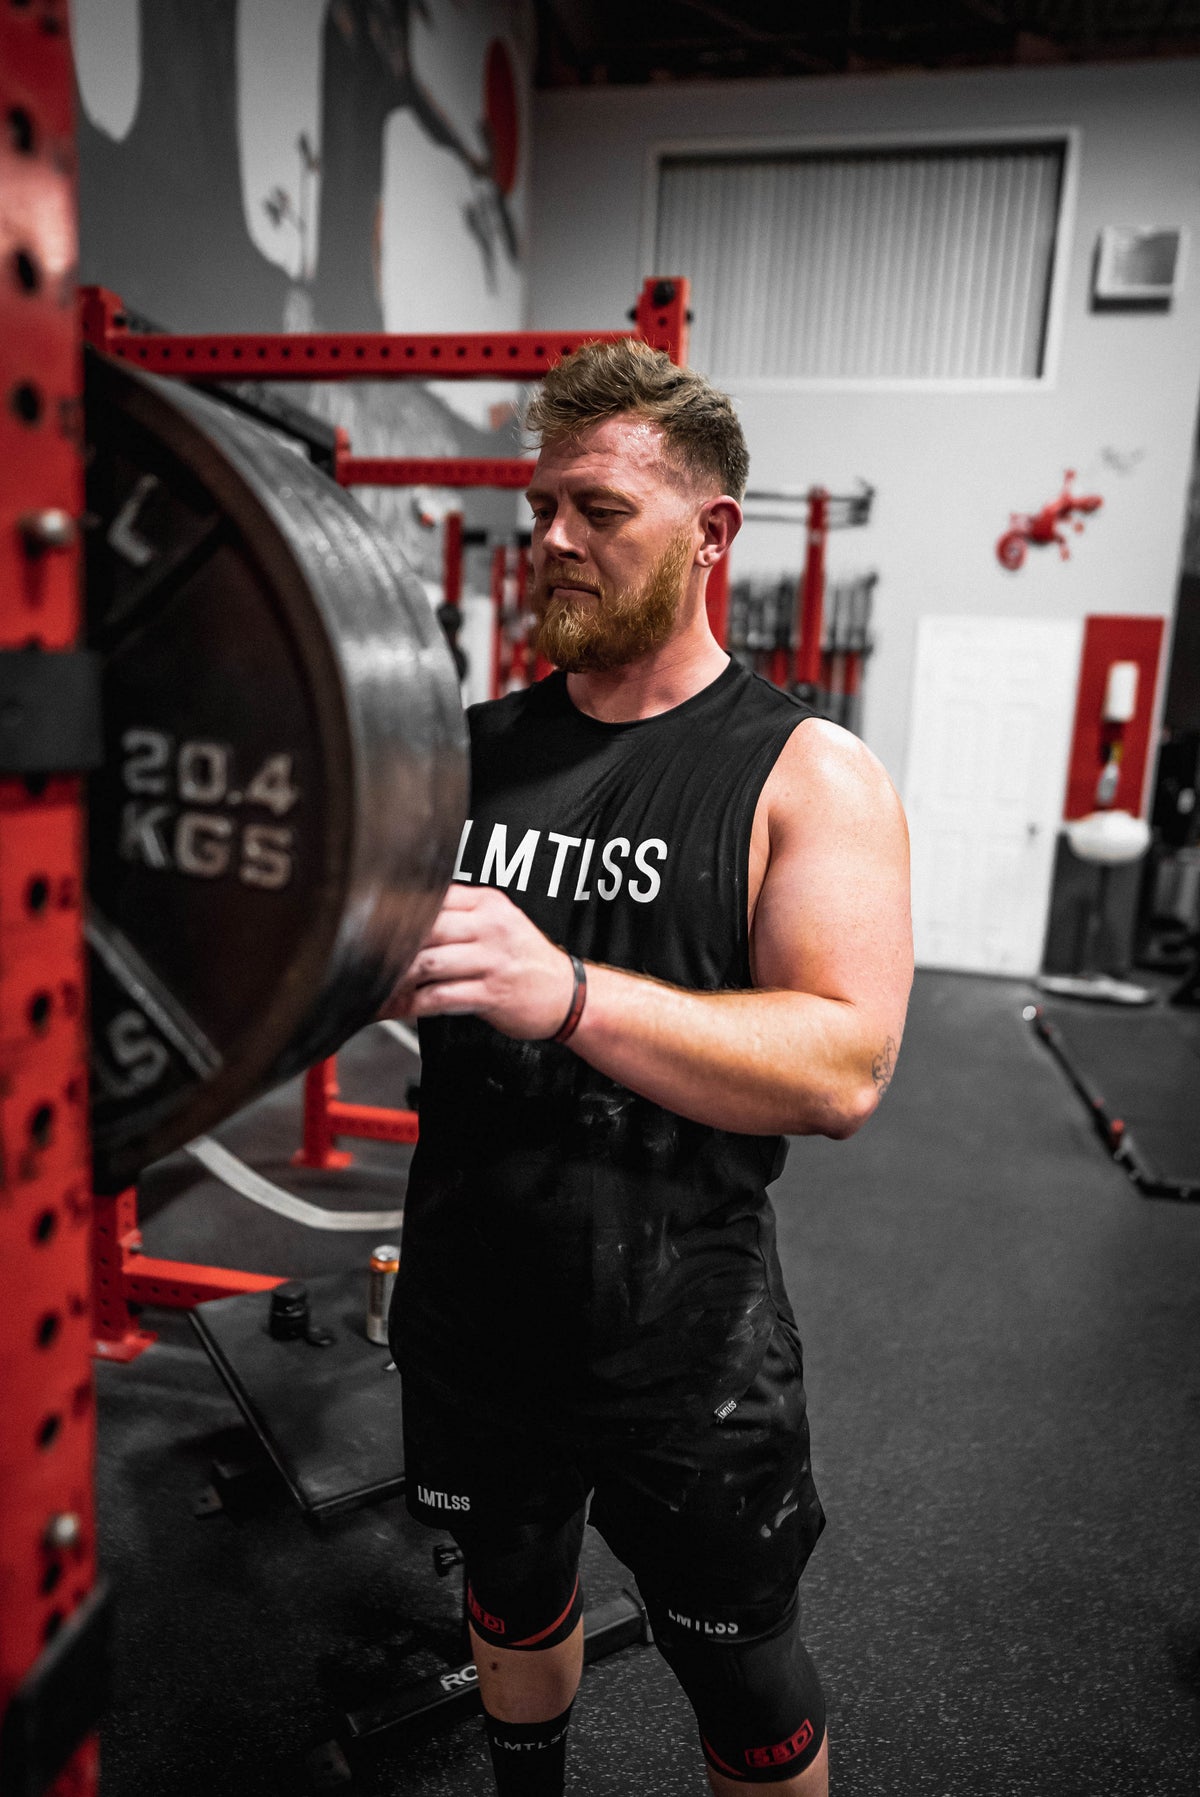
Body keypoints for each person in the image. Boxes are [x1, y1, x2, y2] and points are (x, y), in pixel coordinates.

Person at [385, 338, 912, 1796]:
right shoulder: (462, 752)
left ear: (710, 533)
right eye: (541, 504)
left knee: (743, 1675)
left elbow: (847, 1061)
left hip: (684, 1342)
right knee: (505, 1587)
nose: (551, 536)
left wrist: (563, 994)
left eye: (599, 510)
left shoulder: (808, 772)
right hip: (472, 1304)